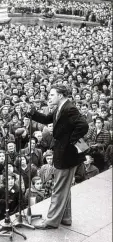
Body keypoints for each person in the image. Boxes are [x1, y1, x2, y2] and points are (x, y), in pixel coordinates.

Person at [26, 85, 89, 229]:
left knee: (58, 188)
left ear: (60, 95)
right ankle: (65, 218)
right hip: (65, 154)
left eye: (52, 94)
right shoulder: (61, 107)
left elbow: (84, 126)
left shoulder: (69, 108)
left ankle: (52, 221)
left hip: (66, 155)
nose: (49, 97)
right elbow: (48, 118)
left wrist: (69, 141)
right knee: (64, 186)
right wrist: (32, 112)